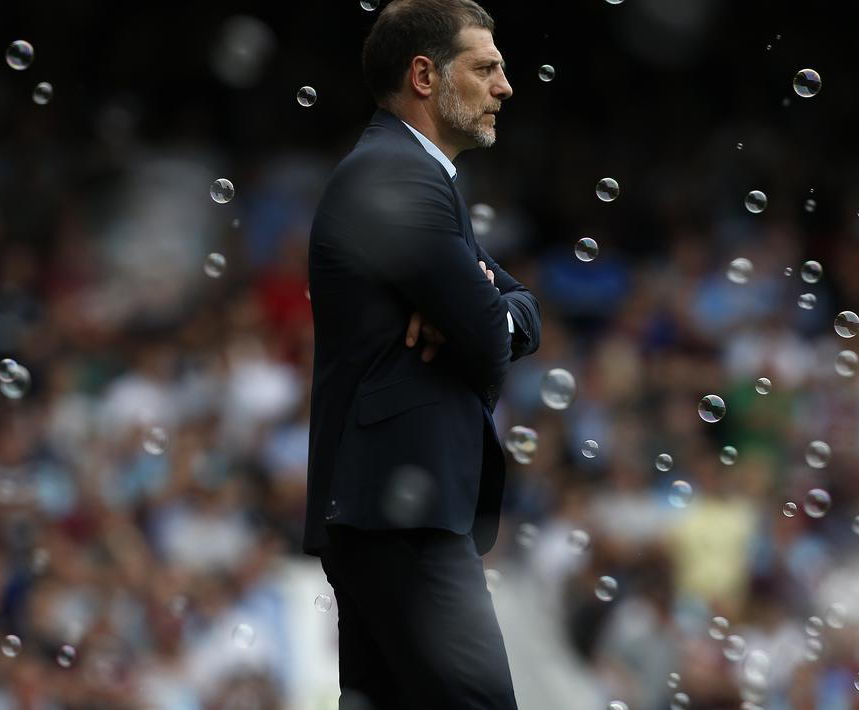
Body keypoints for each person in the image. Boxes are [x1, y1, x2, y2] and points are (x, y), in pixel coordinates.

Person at [303, 0, 540, 707]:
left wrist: (485, 309)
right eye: (486, 67)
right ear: (424, 76)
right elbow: (489, 337)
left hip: (391, 508)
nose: (505, 87)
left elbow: (516, 305)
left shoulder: (411, 175)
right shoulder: (396, 177)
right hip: (401, 511)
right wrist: (483, 314)